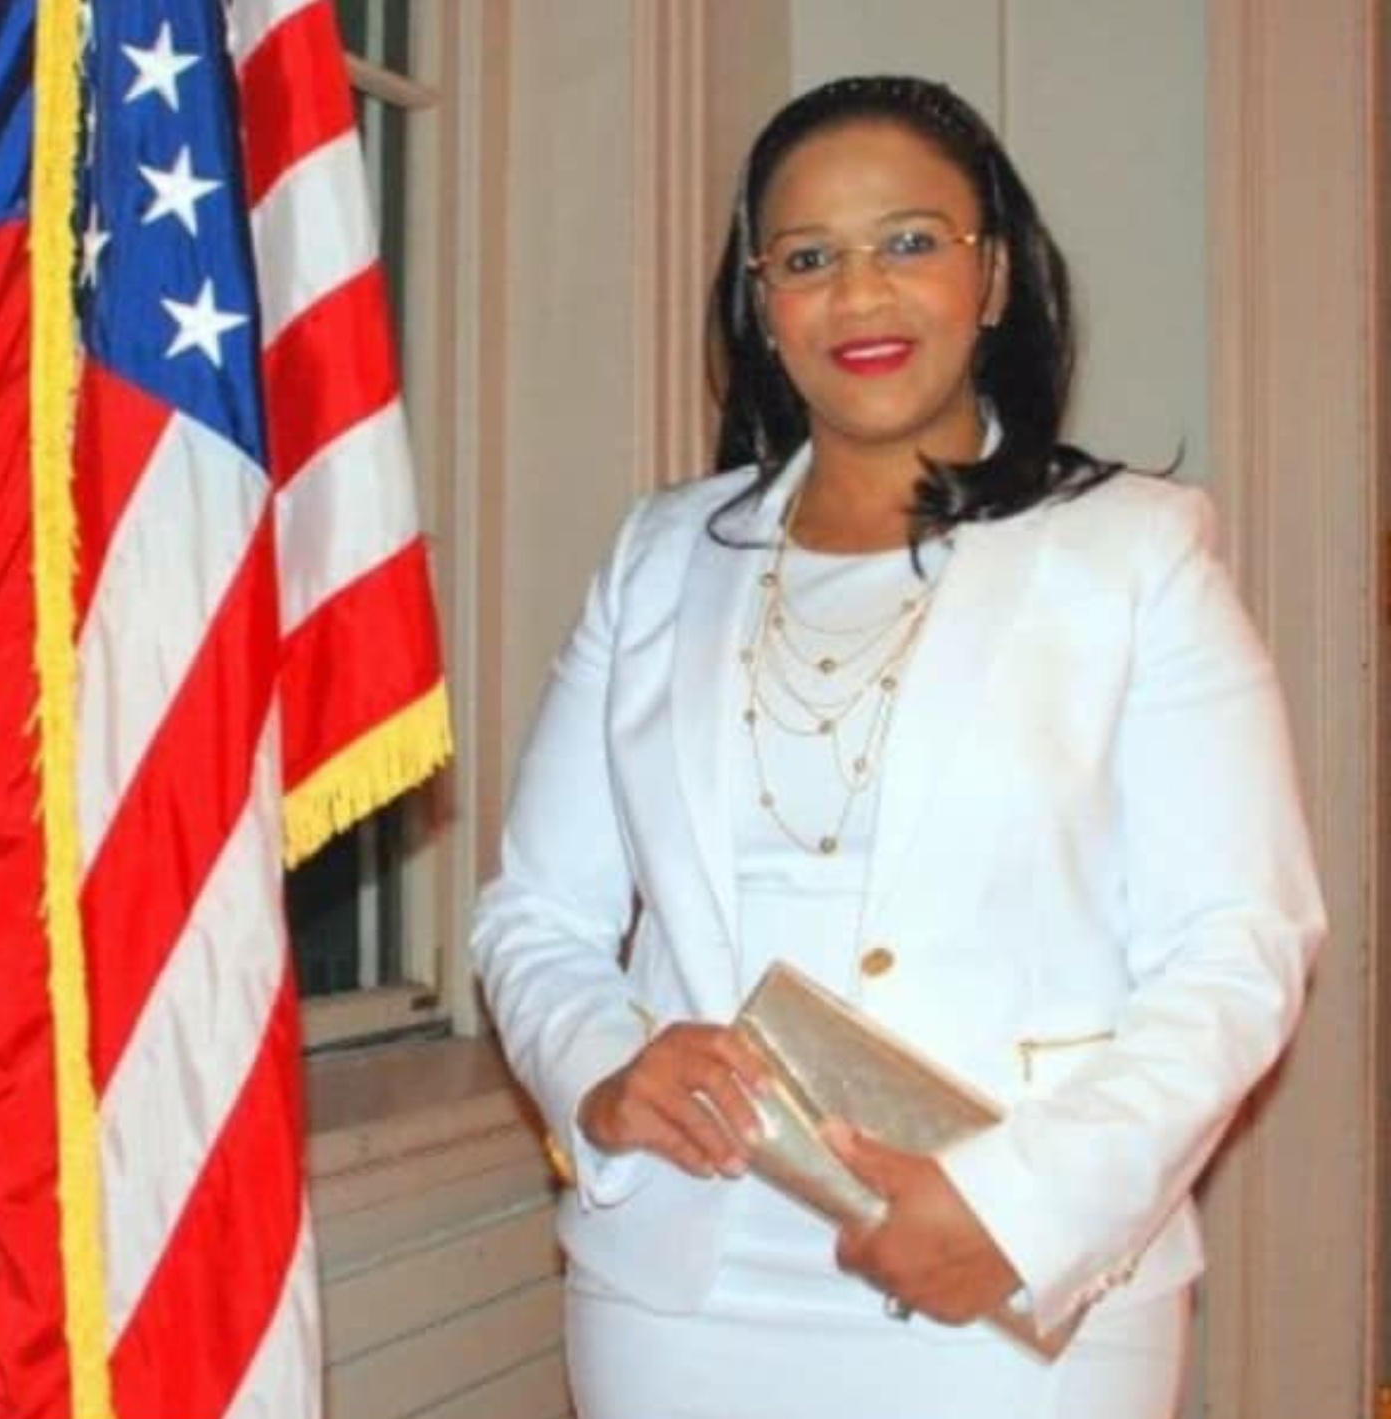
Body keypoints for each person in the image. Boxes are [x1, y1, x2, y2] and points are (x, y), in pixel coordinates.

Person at [471, 74, 1324, 1419]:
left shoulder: (1135, 552)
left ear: (994, 277)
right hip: (683, 1288)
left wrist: (1026, 1209)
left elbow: (1239, 945)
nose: (859, 296)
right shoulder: (657, 558)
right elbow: (534, 915)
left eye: (910, 242)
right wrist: (603, 1074)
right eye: (808, 259)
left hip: (1012, 1283)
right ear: (762, 300)